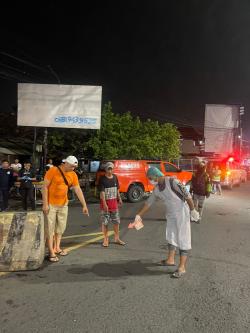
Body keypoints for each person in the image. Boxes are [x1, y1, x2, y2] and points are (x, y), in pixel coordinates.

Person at [134, 167, 199, 278]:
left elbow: (187, 195)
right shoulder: (157, 189)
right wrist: (138, 215)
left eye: (150, 178)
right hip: (171, 214)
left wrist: (193, 210)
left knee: (183, 237)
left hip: (181, 212)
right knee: (171, 236)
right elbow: (148, 203)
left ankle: (182, 267)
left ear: (156, 175)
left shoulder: (173, 182)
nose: (150, 180)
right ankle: (170, 259)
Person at [42, 155, 89, 262]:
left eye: (74, 167)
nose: (73, 169)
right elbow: (44, 187)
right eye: (72, 166)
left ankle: (57, 247)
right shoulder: (53, 170)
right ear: (65, 163)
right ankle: (51, 252)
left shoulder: (73, 174)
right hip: (51, 205)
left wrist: (84, 205)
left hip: (63, 204)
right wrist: (45, 204)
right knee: (50, 229)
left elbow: (77, 189)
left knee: (60, 228)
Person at [98, 162, 125, 247]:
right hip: (105, 206)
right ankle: (106, 239)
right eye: (109, 169)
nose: (110, 170)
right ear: (106, 169)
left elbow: (117, 189)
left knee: (116, 222)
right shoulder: (102, 179)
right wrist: (105, 204)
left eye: (111, 169)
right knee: (105, 223)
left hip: (114, 205)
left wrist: (119, 198)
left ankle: (117, 238)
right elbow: (102, 193)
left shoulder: (115, 177)